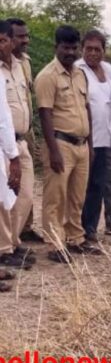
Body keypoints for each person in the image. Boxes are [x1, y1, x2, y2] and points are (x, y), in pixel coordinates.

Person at [35, 25, 102, 263]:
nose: (70, 52)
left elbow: (86, 109)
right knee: (56, 197)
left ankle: (76, 239)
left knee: (77, 196)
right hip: (60, 143)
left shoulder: (80, 74)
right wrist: (53, 151)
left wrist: (91, 146)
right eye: (66, 47)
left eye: (74, 48)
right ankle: (55, 244)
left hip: (82, 145)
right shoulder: (47, 76)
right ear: (57, 47)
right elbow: (45, 114)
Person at [76, 30, 111, 241]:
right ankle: (77, 229)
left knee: (100, 184)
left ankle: (90, 229)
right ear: (83, 49)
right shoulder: (78, 69)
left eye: (97, 49)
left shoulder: (108, 69)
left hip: (107, 137)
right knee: (83, 185)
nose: (92, 53)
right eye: (88, 49)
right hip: (86, 137)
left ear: (104, 52)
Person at [0, 20, 35, 270]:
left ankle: (13, 241)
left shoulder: (23, 65)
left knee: (25, 196)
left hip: (22, 139)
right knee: (4, 198)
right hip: (4, 143)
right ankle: (5, 249)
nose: (23, 41)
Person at [8, 17, 45, 244]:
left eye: (27, 35)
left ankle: (25, 228)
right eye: (21, 36)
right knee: (11, 187)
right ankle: (9, 239)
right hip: (8, 137)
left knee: (27, 188)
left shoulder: (25, 63)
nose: (26, 40)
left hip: (26, 133)